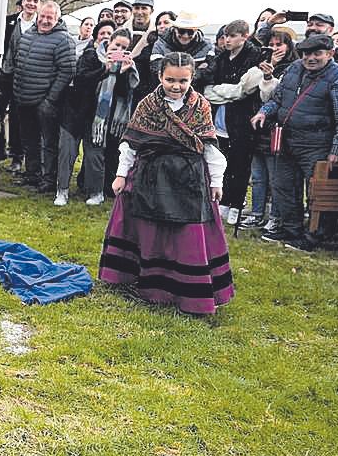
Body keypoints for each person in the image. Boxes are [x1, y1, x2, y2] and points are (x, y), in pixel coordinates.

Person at [98, 52, 233, 314]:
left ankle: (188, 291)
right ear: (160, 76)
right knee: (150, 232)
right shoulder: (147, 105)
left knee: (187, 236)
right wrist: (120, 174)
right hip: (150, 176)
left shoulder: (201, 106)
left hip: (189, 180)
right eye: (170, 79)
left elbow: (210, 148)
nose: (176, 85)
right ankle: (147, 283)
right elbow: (131, 144)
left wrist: (216, 182)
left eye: (183, 80)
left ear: (191, 78)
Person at [251, 34, 338, 251]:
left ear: (330, 54)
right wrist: (263, 112)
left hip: (318, 143)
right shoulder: (294, 68)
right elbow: (277, 99)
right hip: (286, 138)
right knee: (283, 186)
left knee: (318, 192)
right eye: (307, 53)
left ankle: (316, 235)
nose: (311, 58)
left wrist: (336, 150)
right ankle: (291, 230)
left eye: (317, 53)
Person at [203, 19, 264, 224]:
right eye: (224, 36)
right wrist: (229, 92)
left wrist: (223, 91)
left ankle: (237, 204)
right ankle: (223, 202)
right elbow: (208, 88)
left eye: (231, 36)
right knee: (223, 162)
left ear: (244, 36)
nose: (227, 40)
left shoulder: (254, 56)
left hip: (243, 119)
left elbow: (246, 89)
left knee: (240, 164)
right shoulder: (221, 58)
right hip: (221, 117)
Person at [11, 0, 75, 193]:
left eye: (50, 17)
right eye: (43, 16)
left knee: (49, 143)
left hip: (45, 101)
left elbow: (68, 71)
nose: (45, 21)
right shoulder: (28, 34)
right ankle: (32, 174)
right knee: (29, 140)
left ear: (57, 19)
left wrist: (50, 99)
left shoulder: (64, 40)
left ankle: (49, 179)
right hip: (23, 98)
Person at [73, 25, 139, 206]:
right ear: (108, 42)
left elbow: (126, 93)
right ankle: (95, 191)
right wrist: (105, 69)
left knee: (111, 154)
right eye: (116, 45)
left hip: (114, 118)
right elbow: (82, 80)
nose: (119, 50)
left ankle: (109, 188)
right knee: (93, 152)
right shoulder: (93, 55)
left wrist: (123, 73)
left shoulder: (128, 66)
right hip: (92, 115)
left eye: (124, 48)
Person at [242, 27, 297, 228]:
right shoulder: (260, 65)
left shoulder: (293, 68)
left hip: (277, 129)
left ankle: (275, 216)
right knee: (258, 176)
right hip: (258, 126)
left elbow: (274, 97)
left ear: (289, 46)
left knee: (275, 178)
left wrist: (269, 75)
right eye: (271, 45)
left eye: (279, 45)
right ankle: (257, 213)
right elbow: (247, 89)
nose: (274, 49)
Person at [0, 0, 43, 172]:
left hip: (26, 77)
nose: (32, 4)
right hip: (6, 73)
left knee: (18, 117)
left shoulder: (41, 25)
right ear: (22, 2)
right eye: (29, 0)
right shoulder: (9, 21)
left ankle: (17, 155)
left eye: (35, 1)